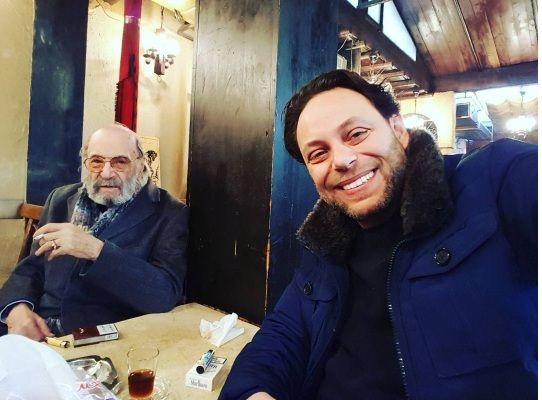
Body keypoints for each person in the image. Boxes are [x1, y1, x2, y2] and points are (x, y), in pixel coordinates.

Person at [219, 70, 537, 399]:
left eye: (356, 134)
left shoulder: (494, 180)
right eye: (318, 154)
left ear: (398, 130)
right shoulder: (324, 245)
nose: (342, 160)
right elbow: (282, 334)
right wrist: (253, 392)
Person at [0, 124, 189, 341]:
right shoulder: (60, 198)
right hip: (36, 327)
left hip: (100, 339)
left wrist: (96, 250)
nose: (106, 173)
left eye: (120, 162)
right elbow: (32, 268)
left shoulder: (170, 213)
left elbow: (164, 295)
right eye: (97, 161)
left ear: (140, 164)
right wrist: (16, 308)